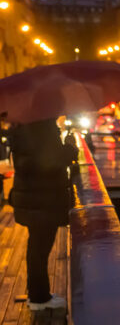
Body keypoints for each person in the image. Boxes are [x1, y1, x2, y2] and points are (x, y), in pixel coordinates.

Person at [8, 118, 77, 311]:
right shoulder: (41, 128)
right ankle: (39, 298)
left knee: (36, 247)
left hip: (32, 197)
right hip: (43, 199)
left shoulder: (23, 127)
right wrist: (70, 148)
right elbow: (51, 161)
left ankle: (36, 293)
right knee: (40, 249)